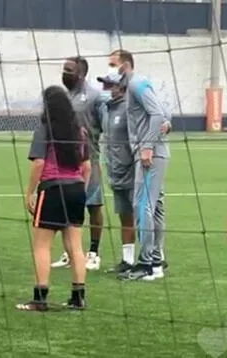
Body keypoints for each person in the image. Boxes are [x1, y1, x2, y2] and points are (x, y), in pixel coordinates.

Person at [16, 85, 91, 312]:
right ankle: (78, 298)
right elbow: (86, 167)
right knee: (75, 247)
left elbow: (39, 163)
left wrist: (30, 192)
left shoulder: (44, 129)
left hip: (52, 190)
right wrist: (80, 190)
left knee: (42, 246)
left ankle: (40, 298)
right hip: (76, 190)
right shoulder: (80, 131)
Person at [110, 49, 170, 281]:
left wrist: (147, 146)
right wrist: (167, 124)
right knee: (155, 206)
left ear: (125, 65)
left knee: (142, 204)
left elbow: (156, 114)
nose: (110, 69)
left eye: (112, 64)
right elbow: (163, 113)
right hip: (154, 152)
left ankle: (145, 263)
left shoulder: (136, 84)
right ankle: (155, 263)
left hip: (150, 155)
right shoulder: (135, 88)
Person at [51, 56, 106, 271]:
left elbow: (104, 125)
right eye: (64, 69)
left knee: (93, 204)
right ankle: (70, 252)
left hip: (89, 159)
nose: (64, 73)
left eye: (69, 70)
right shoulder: (65, 96)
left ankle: (93, 253)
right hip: (66, 161)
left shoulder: (94, 96)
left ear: (81, 73)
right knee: (70, 205)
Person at [96, 73, 135, 274]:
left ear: (121, 87)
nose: (107, 89)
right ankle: (127, 261)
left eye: (110, 85)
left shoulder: (130, 108)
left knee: (143, 216)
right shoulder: (106, 110)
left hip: (133, 171)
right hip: (115, 172)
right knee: (124, 216)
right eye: (105, 85)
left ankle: (153, 259)